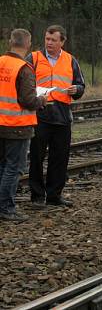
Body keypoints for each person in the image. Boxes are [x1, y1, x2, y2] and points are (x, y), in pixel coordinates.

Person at [28, 25, 85, 208]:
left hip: (61, 114)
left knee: (59, 157)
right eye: (47, 39)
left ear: (62, 41)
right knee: (37, 156)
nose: (49, 43)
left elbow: (80, 86)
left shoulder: (70, 60)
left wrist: (77, 90)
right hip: (40, 113)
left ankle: (54, 195)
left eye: (53, 40)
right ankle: (37, 196)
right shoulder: (34, 58)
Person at [0, 30, 46, 221]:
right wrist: (41, 100)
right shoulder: (24, 68)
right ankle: (6, 207)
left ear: (10, 42)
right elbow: (27, 100)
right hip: (17, 126)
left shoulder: (1, 61)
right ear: (28, 44)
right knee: (14, 168)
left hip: (1, 123)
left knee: (2, 166)